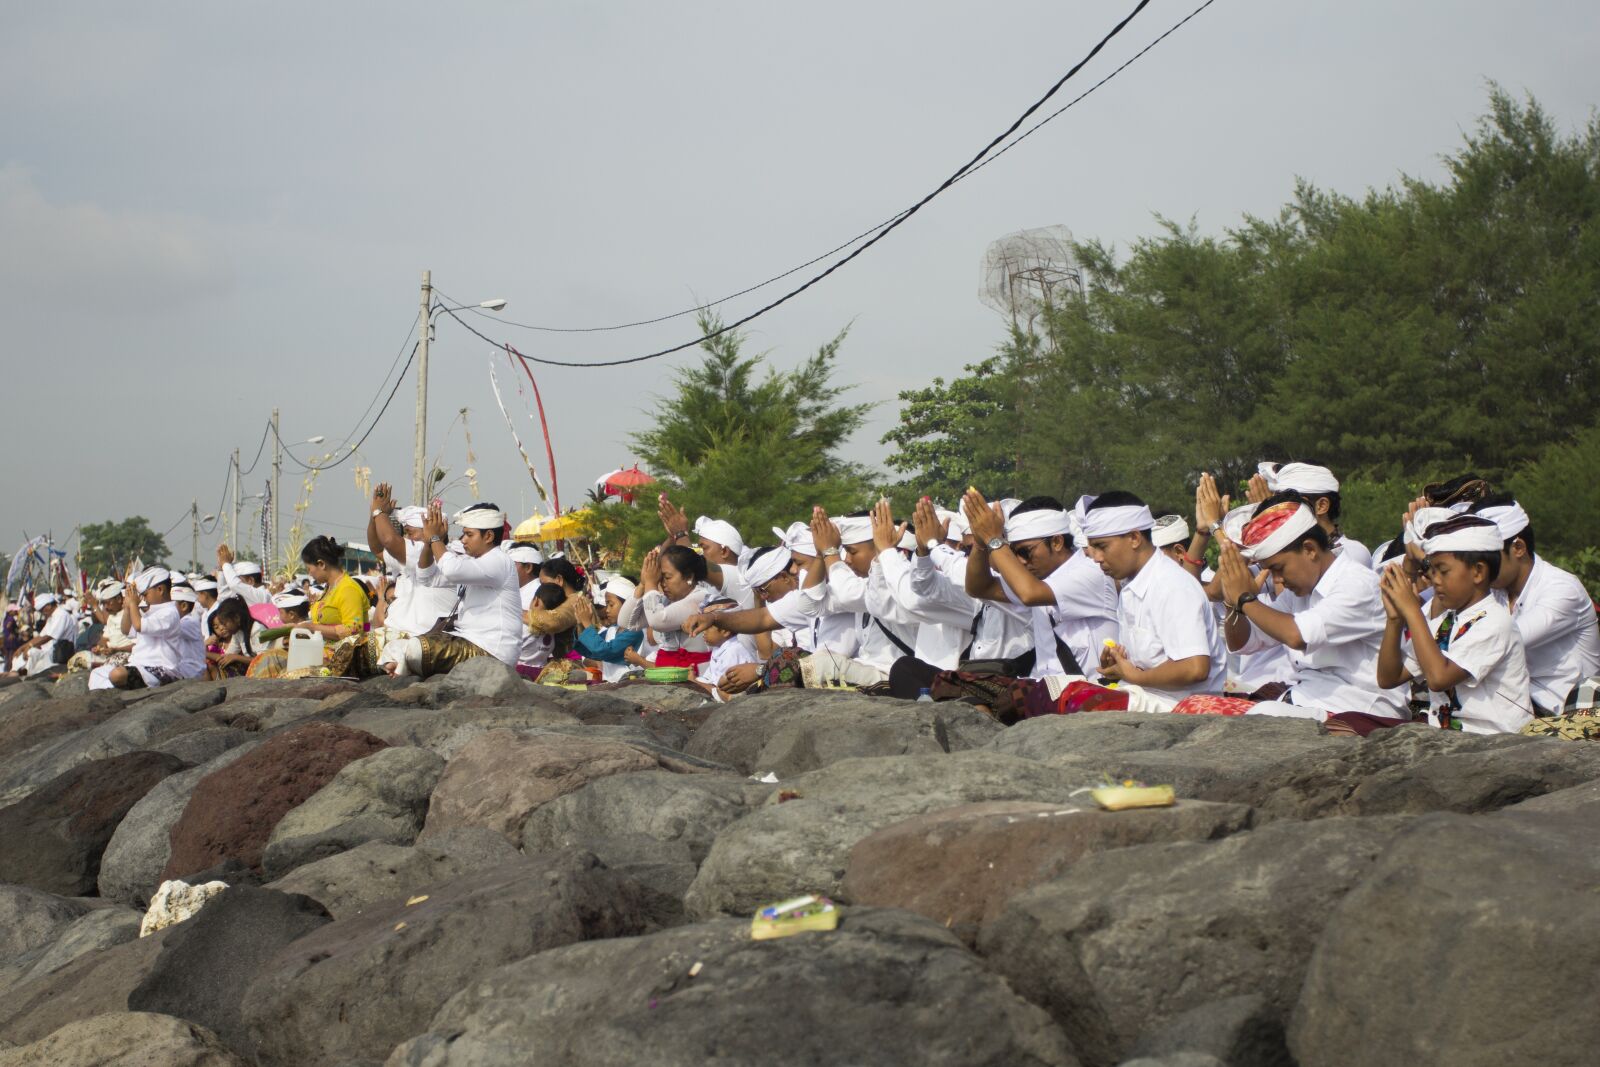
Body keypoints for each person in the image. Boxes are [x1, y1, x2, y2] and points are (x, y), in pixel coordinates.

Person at [1215, 497, 1405, 722]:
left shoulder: (1357, 584)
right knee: (1198, 707)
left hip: (1361, 708)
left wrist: (1245, 599)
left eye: (1278, 568)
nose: (1278, 580)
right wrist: (1231, 603)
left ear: (1310, 549)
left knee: (1259, 719)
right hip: (1306, 700)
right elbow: (1243, 642)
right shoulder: (1299, 592)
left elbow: (1297, 636)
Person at [1377, 513, 1532, 734]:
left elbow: (1439, 678)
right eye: (1432, 572)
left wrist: (1412, 611)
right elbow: (1388, 677)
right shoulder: (1445, 622)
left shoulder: (1495, 622)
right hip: (1449, 741)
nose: (1435, 580)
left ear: (1478, 572)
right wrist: (1394, 620)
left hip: (1494, 742)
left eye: (1443, 571)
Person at [1078, 491, 1225, 704]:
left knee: (1077, 702)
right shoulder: (1131, 586)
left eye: (1102, 546)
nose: (1097, 558)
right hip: (1149, 701)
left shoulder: (1173, 585)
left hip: (1183, 711)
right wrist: (1119, 667)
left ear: (1135, 538)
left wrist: (1135, 676)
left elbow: (1195, 667)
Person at [963, 490, 1119, 681]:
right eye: (1014, 553)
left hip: (1090, 697)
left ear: (1056, 542)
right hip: (1046, 688)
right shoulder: (1039, 579)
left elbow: (1030, 594)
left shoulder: (1090, 572)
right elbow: (978, 588)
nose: (1020, 561)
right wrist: (980, 543)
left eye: (1025, 552)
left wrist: (994, 540)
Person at [1471, 495, 1600, 714]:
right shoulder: (1495, 589)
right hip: (1519, 709)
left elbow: (1498, 642)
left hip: (1567, 716)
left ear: (1518, 548)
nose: (1479, 567)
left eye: (1488, 558)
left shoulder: (1561, 588)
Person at [379, 502, 524, 676]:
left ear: (489, 536)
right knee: (394, 647)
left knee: (417, 648)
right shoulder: (472, 562)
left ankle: (402, 669)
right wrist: (427, 543)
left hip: (492, 651)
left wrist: (435, 538)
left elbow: (451, 569)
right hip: (469, 641)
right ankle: (402, 666)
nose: (463, 540)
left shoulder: (499, 560)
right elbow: (425, 576)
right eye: (464, 534)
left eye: (469, 534)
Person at [364, 484, 459, 639]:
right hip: (402, 636)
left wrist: (378, 511)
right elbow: (378, 549)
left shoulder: (430, 553)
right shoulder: (412, 556)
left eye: (410, 532)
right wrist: (374, 515)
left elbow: (388, 540)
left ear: (429, 531)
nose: (406, 538)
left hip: (422, 640)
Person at [619, 544, 720, 671]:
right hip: (667, 674)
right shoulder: (667, 601)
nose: (662, 584)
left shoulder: (700, 598)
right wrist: (643, 583)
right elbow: (625, 622)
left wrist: (651, 584)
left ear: (689, 576)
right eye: (660, 578)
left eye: (667, 577)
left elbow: (658, 621)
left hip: (696, 677)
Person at [1251, 462, 1371, 567]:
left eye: (1291, 504)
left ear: (1322, 506)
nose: (1283, 513)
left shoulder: (1353, 552)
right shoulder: (1298, 550)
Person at [90, 568, 185, 690]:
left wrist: (133, 604)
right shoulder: (151, 611)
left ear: (160, 590)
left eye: (145, 594)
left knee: (117, 674)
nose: (144, 598)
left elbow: (139, 626)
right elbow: (126, 630)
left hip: (161, 669)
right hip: (139, 665)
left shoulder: (169, 613)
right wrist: (127, 608)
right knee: (96, 674)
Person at [573, 575, 648, 681]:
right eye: (606, 605)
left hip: (629, 687)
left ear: (627, 605)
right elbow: (590, 650)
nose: (607, 610)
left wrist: (587, 623)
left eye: (611, 605)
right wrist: (580, 623)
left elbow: (604, 651)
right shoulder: (612, 630)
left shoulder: (635, 632)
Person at [693, 598, 760, 700]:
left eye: (708, 628)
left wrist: (693, 681)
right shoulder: (718, 648)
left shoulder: (733, 651)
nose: (703, 632)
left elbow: (723, 692)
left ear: (725, 631)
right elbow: (708, 680)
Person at [8, 593, 76, 677]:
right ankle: (15, 673)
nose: (42, 613)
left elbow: (49, 636)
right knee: (20, 654)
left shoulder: (61, 615)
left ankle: (16, 674)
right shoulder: (52, 617)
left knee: (30, 652)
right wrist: (22, 648)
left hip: (59, 653)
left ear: (48, 606)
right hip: (49, 652)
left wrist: (29, 646)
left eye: (42, 610)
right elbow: (41, 636)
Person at [206, 596, 262, 678]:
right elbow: (227, 656)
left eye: (225, 624)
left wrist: (237, 657)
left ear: (237, 618)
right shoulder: (238, 633)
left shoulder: (257, 629)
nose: (223, 628)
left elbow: (263, 660)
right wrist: (204, 653)